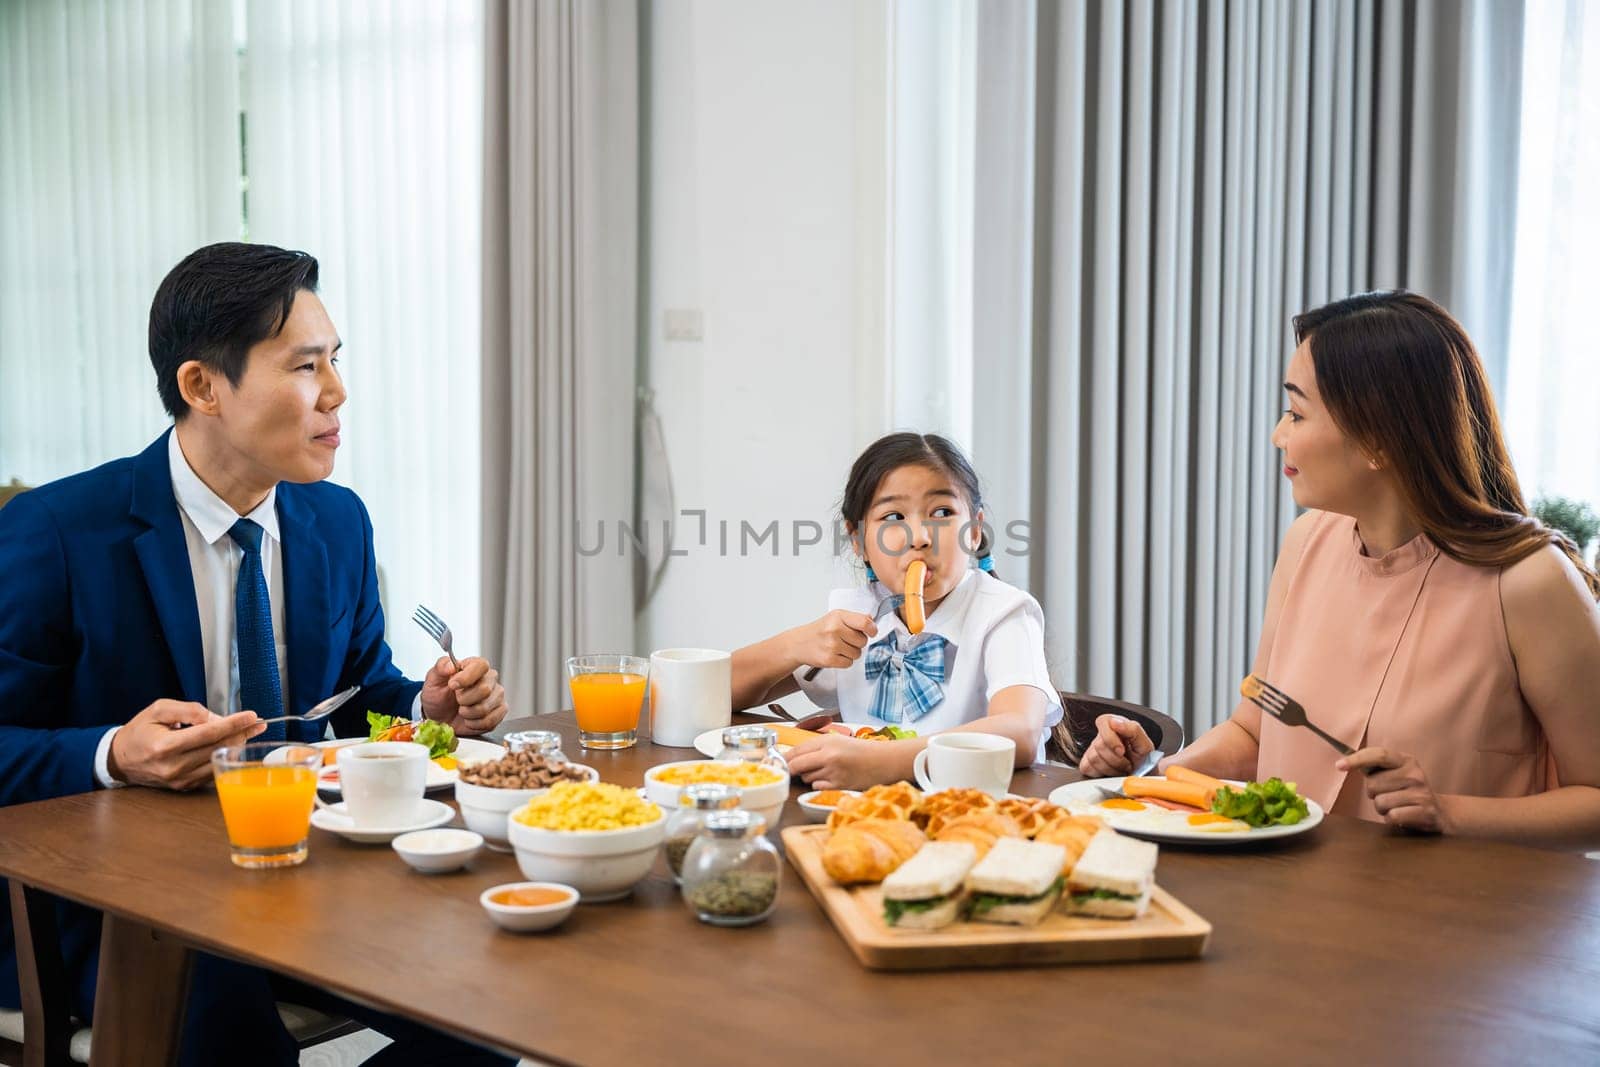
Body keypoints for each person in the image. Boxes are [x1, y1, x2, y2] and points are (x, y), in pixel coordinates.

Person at [0, 242, 513, 1063]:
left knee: (490, 1000)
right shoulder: (56, 534)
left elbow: (357, 691)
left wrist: (425, 707)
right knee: (233, 1036)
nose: (338, 393)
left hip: (311, 872)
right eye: (306, 366)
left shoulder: (335, 520)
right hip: (122, 906)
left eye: (335, 360)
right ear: (202, 386)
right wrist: (112, 754)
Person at [1080, 292, 1600, 852]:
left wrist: (1448, 812)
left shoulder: (1529, 580)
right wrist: (1148, 777)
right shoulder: (1307, 542)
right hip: (1297, 905)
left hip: (1462, 924)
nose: (1280, 435)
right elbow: (1255, 734)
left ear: (1377, 438)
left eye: (1297, 413)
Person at [731, 432, 1062, 789]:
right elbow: (718, 692)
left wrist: (881, 763)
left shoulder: (1003, 613)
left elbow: (1021, 732)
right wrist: (794, 644)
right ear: (858, 541)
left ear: (975, 531)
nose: (919, 536)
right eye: (893, 516)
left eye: (942, 512)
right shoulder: (858, 612)